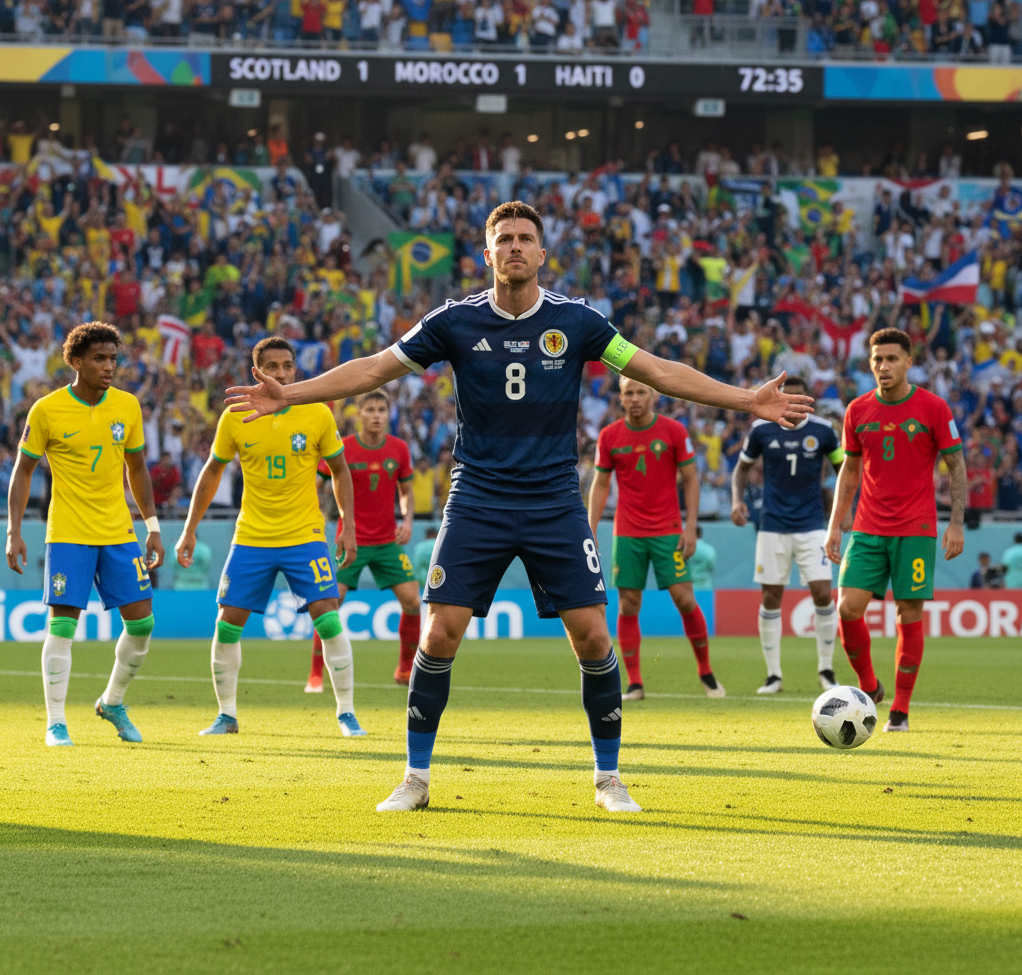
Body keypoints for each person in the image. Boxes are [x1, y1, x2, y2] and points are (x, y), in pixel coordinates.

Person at [225, 200, 812, 814]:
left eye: (524, 239)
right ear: (487, 253)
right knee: (440, 631)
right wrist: (289, 394)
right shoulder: (453, 321)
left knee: (590, 635)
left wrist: (747, 400)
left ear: (541, 252)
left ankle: (608, 779)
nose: (514, 248)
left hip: (554, 499)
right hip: (477, 496)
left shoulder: (577, 322)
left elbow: (657, 371)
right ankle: (416, 778)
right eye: (503, 239)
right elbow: (375, 369)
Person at [175, 337, 364, 738]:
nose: (281, 373)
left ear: (295, 369)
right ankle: (226, 716)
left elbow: (340, 470)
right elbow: (211, 472)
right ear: (256, 371)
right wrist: (189, 529)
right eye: (272, 366)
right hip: (253, 536)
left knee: (328, 618)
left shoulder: (316, 412)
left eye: (287, 366)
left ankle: (346, 713)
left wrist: (347, 523)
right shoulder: (236, 416)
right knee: (227, 625)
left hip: (305, 534)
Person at [6, 322, 165, 747]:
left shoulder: (128, 407)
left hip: (117, 531)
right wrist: (14, 531)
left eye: (114, 358)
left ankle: (112, 702)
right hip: (69, 532)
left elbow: (137, 469)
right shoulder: (47, 410)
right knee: (63, 625)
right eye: (99, 358)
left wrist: (151, 527)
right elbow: (23, 471)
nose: (109, 366)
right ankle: (56, 723)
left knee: (143, 622)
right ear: (75, 362)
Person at [825, 329, 966, 734]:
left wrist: (956, 523)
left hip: (916, 528)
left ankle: (900, 712)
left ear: (908, 361)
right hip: (868, 527)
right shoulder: (857, 410)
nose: (883, 366)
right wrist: (836, 526)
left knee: (909, 613)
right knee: (847, 609)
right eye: (877, 359)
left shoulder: (933, 408)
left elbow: (956, 467)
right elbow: (849, 471)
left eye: (891, 358)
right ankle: (869, 687)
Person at [588, 376, 724, 702]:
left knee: (685, 600)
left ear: (653, 395)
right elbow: (601, 485)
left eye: (641, 392)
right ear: (620, 398)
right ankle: (634, 682)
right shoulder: (609, 436)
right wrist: (588, 529)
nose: (634, 398)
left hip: (667, 531)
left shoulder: (674, 432)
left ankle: (706, 672)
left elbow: (691, 479)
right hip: (628, 532)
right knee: (628, 604)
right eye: (628, 393)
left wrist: (690, 527)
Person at [731, 375, 846, 693]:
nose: (792, 403)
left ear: (808, 400)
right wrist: (736, 500)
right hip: (773, 526)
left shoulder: (824, 431)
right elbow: (741, 468)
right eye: (787, 397)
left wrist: (845, 509)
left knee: (823, 594)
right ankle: (774, 676)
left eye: (799, 398)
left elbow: (843, 468)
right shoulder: (761, 429)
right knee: (771, 598)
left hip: (812, 526)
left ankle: (826, 670)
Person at [307, 390, 420, 691]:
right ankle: (316, 673)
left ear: (388, 413)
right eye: (369, 409)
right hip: (350, 539)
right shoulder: (342, 448)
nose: (376, 415)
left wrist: (407, 520)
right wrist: (314, 513)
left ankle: (405, 670)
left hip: (387, 542)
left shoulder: (399, 449)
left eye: (382, 409)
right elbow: (315, 484)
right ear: (359, 414)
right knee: (329, 605)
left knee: (412, 601)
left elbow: (406, 492)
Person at [688, 525, 716, 590]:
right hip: (705, 586)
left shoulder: (683, 549)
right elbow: (711, 566)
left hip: (688, 588)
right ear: (700, 534)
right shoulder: (709, 549)